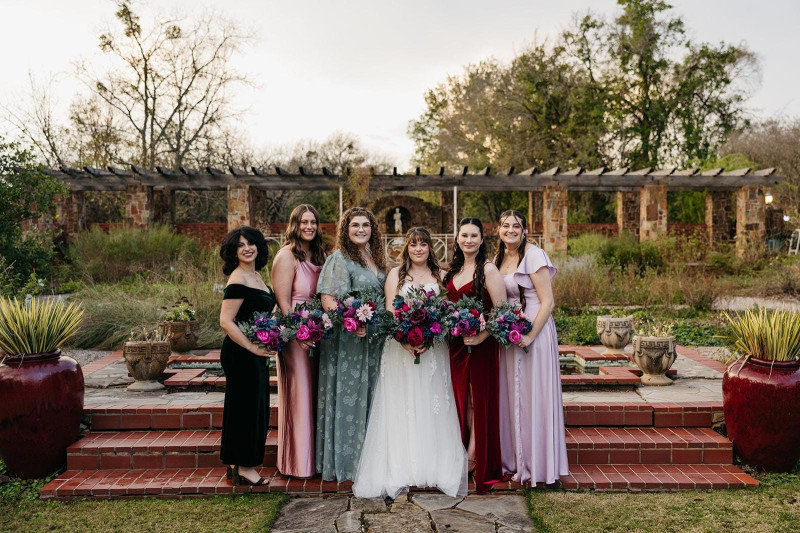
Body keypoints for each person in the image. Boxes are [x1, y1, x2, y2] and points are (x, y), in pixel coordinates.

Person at [353, 227, 468, 500]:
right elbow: (392, 312)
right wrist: (405, 341)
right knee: (402, 402)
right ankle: (403, 465)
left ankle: (433, 464)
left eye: (423, 244)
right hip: (399, 348)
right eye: (413, 244)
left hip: (433, 350)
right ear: (407, 247)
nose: (418, 249)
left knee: (431, 401)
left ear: (430, 248)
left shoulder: (439, 275)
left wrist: (429, 339)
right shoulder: (396, 274)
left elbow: (444, 312)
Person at [494, 210, 568, 485]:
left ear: (525, 230)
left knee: (534, 396)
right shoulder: (498, 258)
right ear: (498, 230)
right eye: (505, 226)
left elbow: (548, 302)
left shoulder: (534, 255)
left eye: (516, 226)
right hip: (509, 333)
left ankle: (538, 465)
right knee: (513, 397)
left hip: (534, 330)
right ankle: (514, 459)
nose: (510, 230)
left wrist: (530, 336)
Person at [316, 207, 387, 482]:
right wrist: (353, 323)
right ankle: (349, 464)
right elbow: (328, 300)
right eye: (355, 225)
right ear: (346, 229)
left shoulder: (373, 257)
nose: (361, 230)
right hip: (349, 343)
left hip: (374, 340)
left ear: (373, 229)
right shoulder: (339, 258)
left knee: (371, 396)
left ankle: (371, 460)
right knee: (351, 397)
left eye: (365, 225)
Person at [444, 218, 506, 494]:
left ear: (482, 240)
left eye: (474, 236)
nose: (468, 240)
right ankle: (464, 449)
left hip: (482, 344)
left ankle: (474, 457)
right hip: (456, 346)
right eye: (464, 235)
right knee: (463, 400)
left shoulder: (488, 270)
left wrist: (482, 335)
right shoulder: (452, 272)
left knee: (479, 400)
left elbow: (502, 313)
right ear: (457, 239)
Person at [271, 204, 326, 478]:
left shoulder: (318, 254)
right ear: (295, 224)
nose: (309, 226)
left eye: (313, 222)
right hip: (294, 336)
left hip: (318, 332)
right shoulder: (286, 255)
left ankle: (314, 460)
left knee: (315, 394)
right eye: (304, 221)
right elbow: (283, 302)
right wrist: (298, 334)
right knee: (300, 394)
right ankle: (298, 464)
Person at [218, 226, 275, 486]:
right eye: (240, 245)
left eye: (251, 243)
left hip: (254, 352)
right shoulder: (238, 279)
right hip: (240, 352)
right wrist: (251, 347)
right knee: (247, 410)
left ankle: (235, 462)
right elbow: (226, 321)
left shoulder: (257, 276)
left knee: (249, 408)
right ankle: (245, 467)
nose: (247, 248)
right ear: (234, 251)